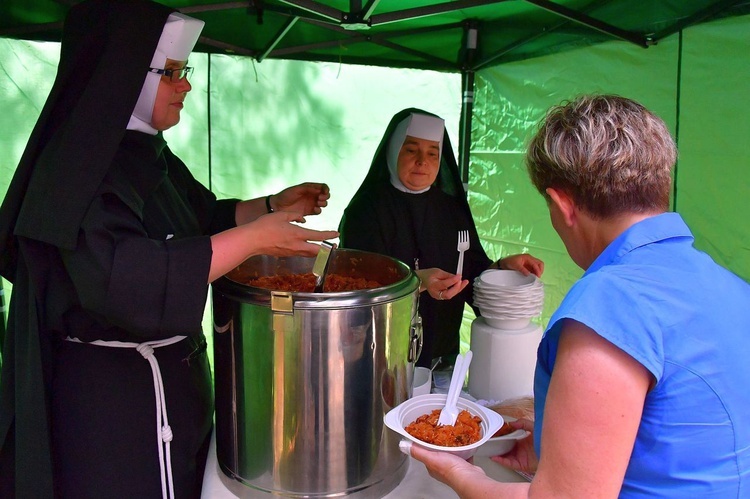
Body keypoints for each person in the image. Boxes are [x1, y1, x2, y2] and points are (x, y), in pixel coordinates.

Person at [0, 1, 338, 498]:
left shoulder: (143, 150)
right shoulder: (80, 170)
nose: (186, 85)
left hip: (169, 384)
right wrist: (258, 237)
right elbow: (126, 278)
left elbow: (201, 219)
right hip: (119, 411)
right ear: (126, 76)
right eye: (173, 72)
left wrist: (270, 205)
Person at [407, 95, 750, 497]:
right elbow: (685, 435)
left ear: (561, 204)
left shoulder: (610, 303)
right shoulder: (731, 285)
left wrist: (458, 473)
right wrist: (555, 447)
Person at [339, 108, 543, 368]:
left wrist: (502, 267)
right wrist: (415, 282)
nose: (423, 161)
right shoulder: (366, 211)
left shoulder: (451, 209)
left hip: (442, 351)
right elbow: (356, 285)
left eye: (432, 153)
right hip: (381, 354)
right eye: (412, 150)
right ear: (393, 150)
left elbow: (470, 272)